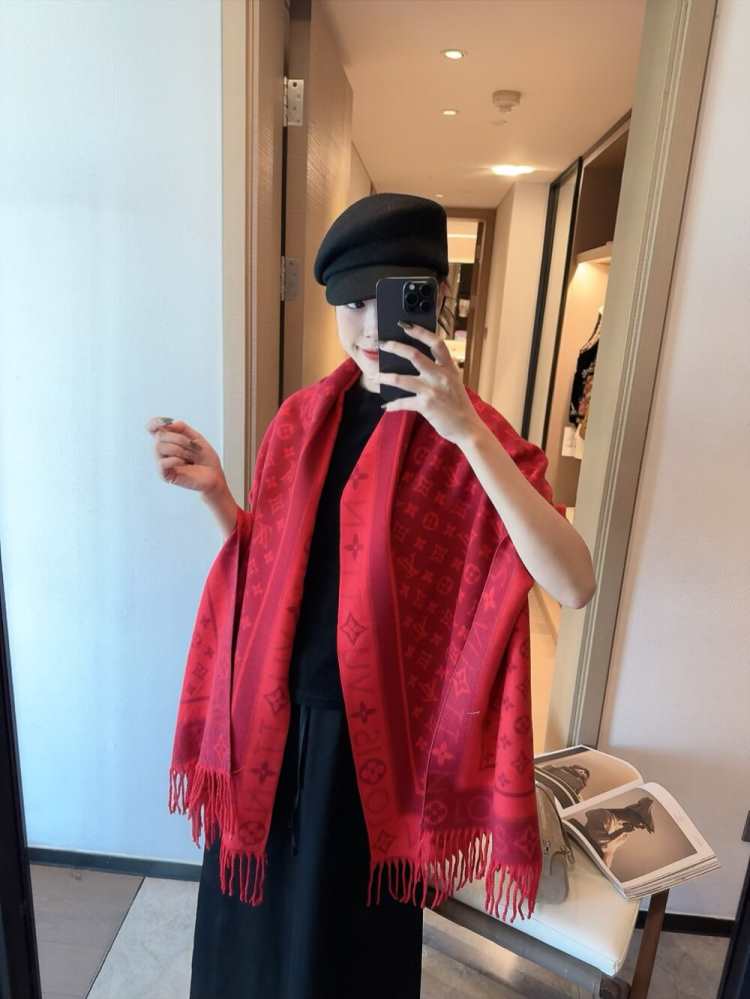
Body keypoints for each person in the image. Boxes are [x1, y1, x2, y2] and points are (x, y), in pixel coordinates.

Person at [146, 194, 596, 998]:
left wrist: (465, 431)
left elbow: (574, 581)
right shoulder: (300, 420)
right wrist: (218, 495)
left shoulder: (475, 437)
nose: (366, 328)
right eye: (349, 304)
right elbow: (267, 576)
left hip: (368, 758)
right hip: (268, 734)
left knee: (339, 963)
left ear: (433, 299)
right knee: (247, 949)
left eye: (387, 301)